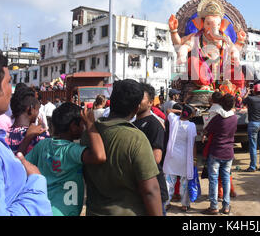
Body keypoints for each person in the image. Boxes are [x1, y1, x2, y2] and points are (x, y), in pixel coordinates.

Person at [80, 79, 162, 216]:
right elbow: (150, 190)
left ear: (110, 102)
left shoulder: (89, 133)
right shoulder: (136, 138)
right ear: (136, 109)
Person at [26, 103, 106, 216]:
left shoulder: (42, 145)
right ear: (73, 126)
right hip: (64, 212)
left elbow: (21, 162)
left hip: (42, 209)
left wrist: (28, 138)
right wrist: (91, 124)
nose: (83, 128)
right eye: (82, 124)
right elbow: (100, 156)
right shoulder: (71, 150)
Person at [0, 51, 52, 216]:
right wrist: (36, 181)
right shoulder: (39, 137)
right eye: (8, 82)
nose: (10, 89)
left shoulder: (5, 135)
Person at [133, 83, 168, 216]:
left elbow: (156, 158)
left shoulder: (154, 124)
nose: (136, 101)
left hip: (154, 188)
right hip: (139, 188)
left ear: (150, 102)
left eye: (140, 98)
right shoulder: (133, 124)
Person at [203, 94, 238, 215]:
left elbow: (207, 129)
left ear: (221, 104)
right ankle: (226, 206)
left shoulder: (217, 119)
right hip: (229, 153)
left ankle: (214, 207)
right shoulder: (235, 118)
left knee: (213, 179)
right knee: (226, 179)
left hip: (216, 152)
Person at [163, 104, 197, 212]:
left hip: (172, 156)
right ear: (190, 115)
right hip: (185, 158)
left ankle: (166, 203)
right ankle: (184, 204)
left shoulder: (174, 120)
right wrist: (194, 159)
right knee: (184, 182)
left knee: (168, 181)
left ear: (182, 112)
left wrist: (179, 110)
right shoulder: (191, 126)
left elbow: (168, 110)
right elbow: (194, 144)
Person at [7, 87, 49, 155]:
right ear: (31, 109)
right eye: (37, 109)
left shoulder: (2, 135)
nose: (38, 113)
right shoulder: (40, 135)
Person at [243, 83, 260, 172]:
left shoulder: (250, 98)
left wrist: (247, 92)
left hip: (253, 123)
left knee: (253, 146)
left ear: (254, 91)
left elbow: (242, 101)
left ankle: (253, 166)